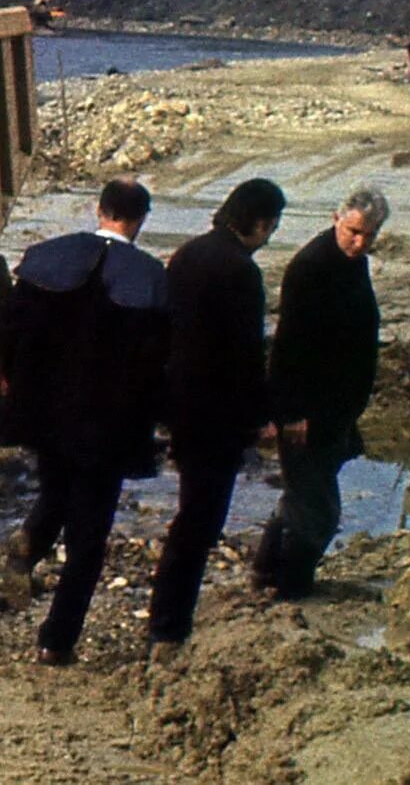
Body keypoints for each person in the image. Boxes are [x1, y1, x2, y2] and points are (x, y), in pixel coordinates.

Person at [1, 178, 169, 667]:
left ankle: (30, 541)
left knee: (55, 489)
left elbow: (9, 334)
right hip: (107, 429)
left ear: (99, 210)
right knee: (88, 540)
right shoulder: (149, 278)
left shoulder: (45, 259)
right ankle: (56, 640)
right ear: (140, 220)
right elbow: (156, 367)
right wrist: (157, 425)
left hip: (46, 416)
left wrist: (16, 390)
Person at [147, 177, 286, 656]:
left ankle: (168, 622)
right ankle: (168, 628)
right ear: (261, 223)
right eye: (272, 228)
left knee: (192, 515)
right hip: (218, 414)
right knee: (199, 521)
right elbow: (247, 356)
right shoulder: (241, 271)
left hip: (182, 405)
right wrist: (260, 417)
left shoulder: (187, 255)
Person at [253, 186, 389, 600]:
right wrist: (290, 413)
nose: (360, 242)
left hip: (335, 408)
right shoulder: (311, 268)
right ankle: (292, 585)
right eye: (354, 232)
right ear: (336, 219)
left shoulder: (352, 264)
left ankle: (267, 572)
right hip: (308, 408)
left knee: (304, 495)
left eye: (369, 235)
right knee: (319, 508)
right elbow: (290, 347)